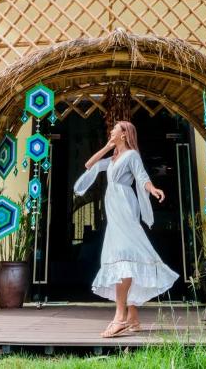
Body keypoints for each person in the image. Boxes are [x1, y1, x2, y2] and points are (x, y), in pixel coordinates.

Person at [74, 120, 178, 338]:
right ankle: (132, 316)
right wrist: (108, 147)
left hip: (125, 206)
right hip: (113, 209)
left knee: (124, 256)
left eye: (115, 129)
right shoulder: (113, 158)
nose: (111, 131)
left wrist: (153, 188)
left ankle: (119, 317)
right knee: (123, 255)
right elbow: (89, 165)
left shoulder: (132, 156)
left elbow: (142, 178)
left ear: (124, 134)